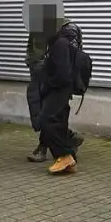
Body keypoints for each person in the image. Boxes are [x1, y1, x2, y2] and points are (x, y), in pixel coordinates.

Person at [25, 19, 85, 163]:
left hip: (55, 78)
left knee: (49, 115)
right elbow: (33, 51)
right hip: (40, 75)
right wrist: (32, 65)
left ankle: (51, 148)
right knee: (41, 112)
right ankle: (69, 139)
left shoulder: (62, 28)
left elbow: (65, 55)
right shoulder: (37, 28)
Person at [38, 7, 80, 174]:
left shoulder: (60, 44)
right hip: (59, 89)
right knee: (59, 122)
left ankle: (65, 155)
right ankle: (67, 160)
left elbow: (61, 74)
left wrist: (48, 84)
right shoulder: (56, 43)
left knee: (47, 120)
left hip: (58, 89)